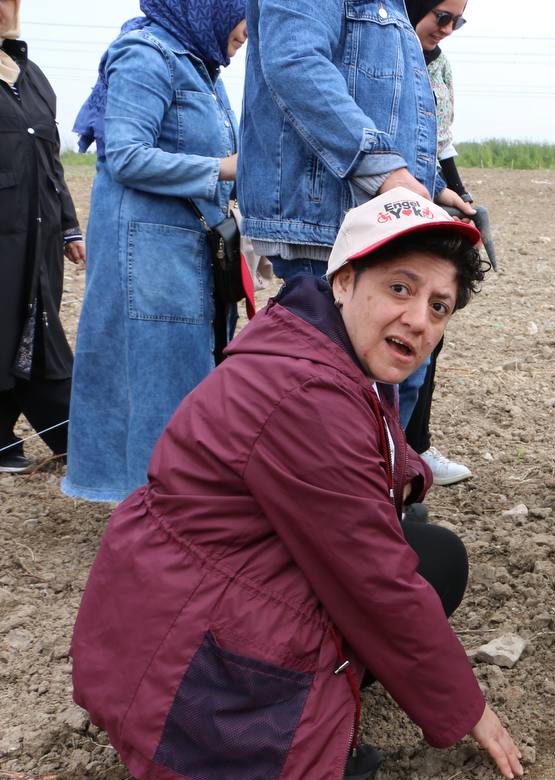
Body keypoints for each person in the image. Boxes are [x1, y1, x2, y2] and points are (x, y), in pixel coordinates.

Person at [70, 188, 523, 780]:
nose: (419, 319)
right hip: (181, 659)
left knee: (433, 555)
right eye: (400, 287)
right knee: (398, 575)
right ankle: (254, 741)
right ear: (344, 279)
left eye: (439, 306)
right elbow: (374, 581)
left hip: (173, 594)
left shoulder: (316, 340)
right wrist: (469, 710)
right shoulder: (307, 393)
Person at [61, 0, 246, 502]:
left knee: (185, 380)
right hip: (145, 256)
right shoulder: (146, 53)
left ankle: (176, 502)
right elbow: (125, 154)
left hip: (182, 251)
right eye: (244, 12)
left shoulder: (202, 65)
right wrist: (225, 169)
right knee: (155, 383)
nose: (249, 30)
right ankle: (154, 509)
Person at [237, 0, 473, 285]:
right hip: (333, 229)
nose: (447, 29)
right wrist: (384, 171)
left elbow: (384, 108)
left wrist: (431, 187)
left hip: (359, 226)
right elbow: (295, 62)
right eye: (443, 17)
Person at [0, 0, 84, 473]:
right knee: (8, 328)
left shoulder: (32, 76)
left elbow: (51, 162)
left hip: (41, 234)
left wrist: (68, 224)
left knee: (33, 323)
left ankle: (58, 434)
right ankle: (68, 432)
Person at [398, 0, 474, 485]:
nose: (447, 30)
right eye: (440, 17)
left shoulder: (440, 65)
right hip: (388, 206)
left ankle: (413, 448)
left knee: (429, 331)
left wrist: (459, 193)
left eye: (457, 22)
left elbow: (439, 143)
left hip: (427, 198)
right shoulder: (385, 57)